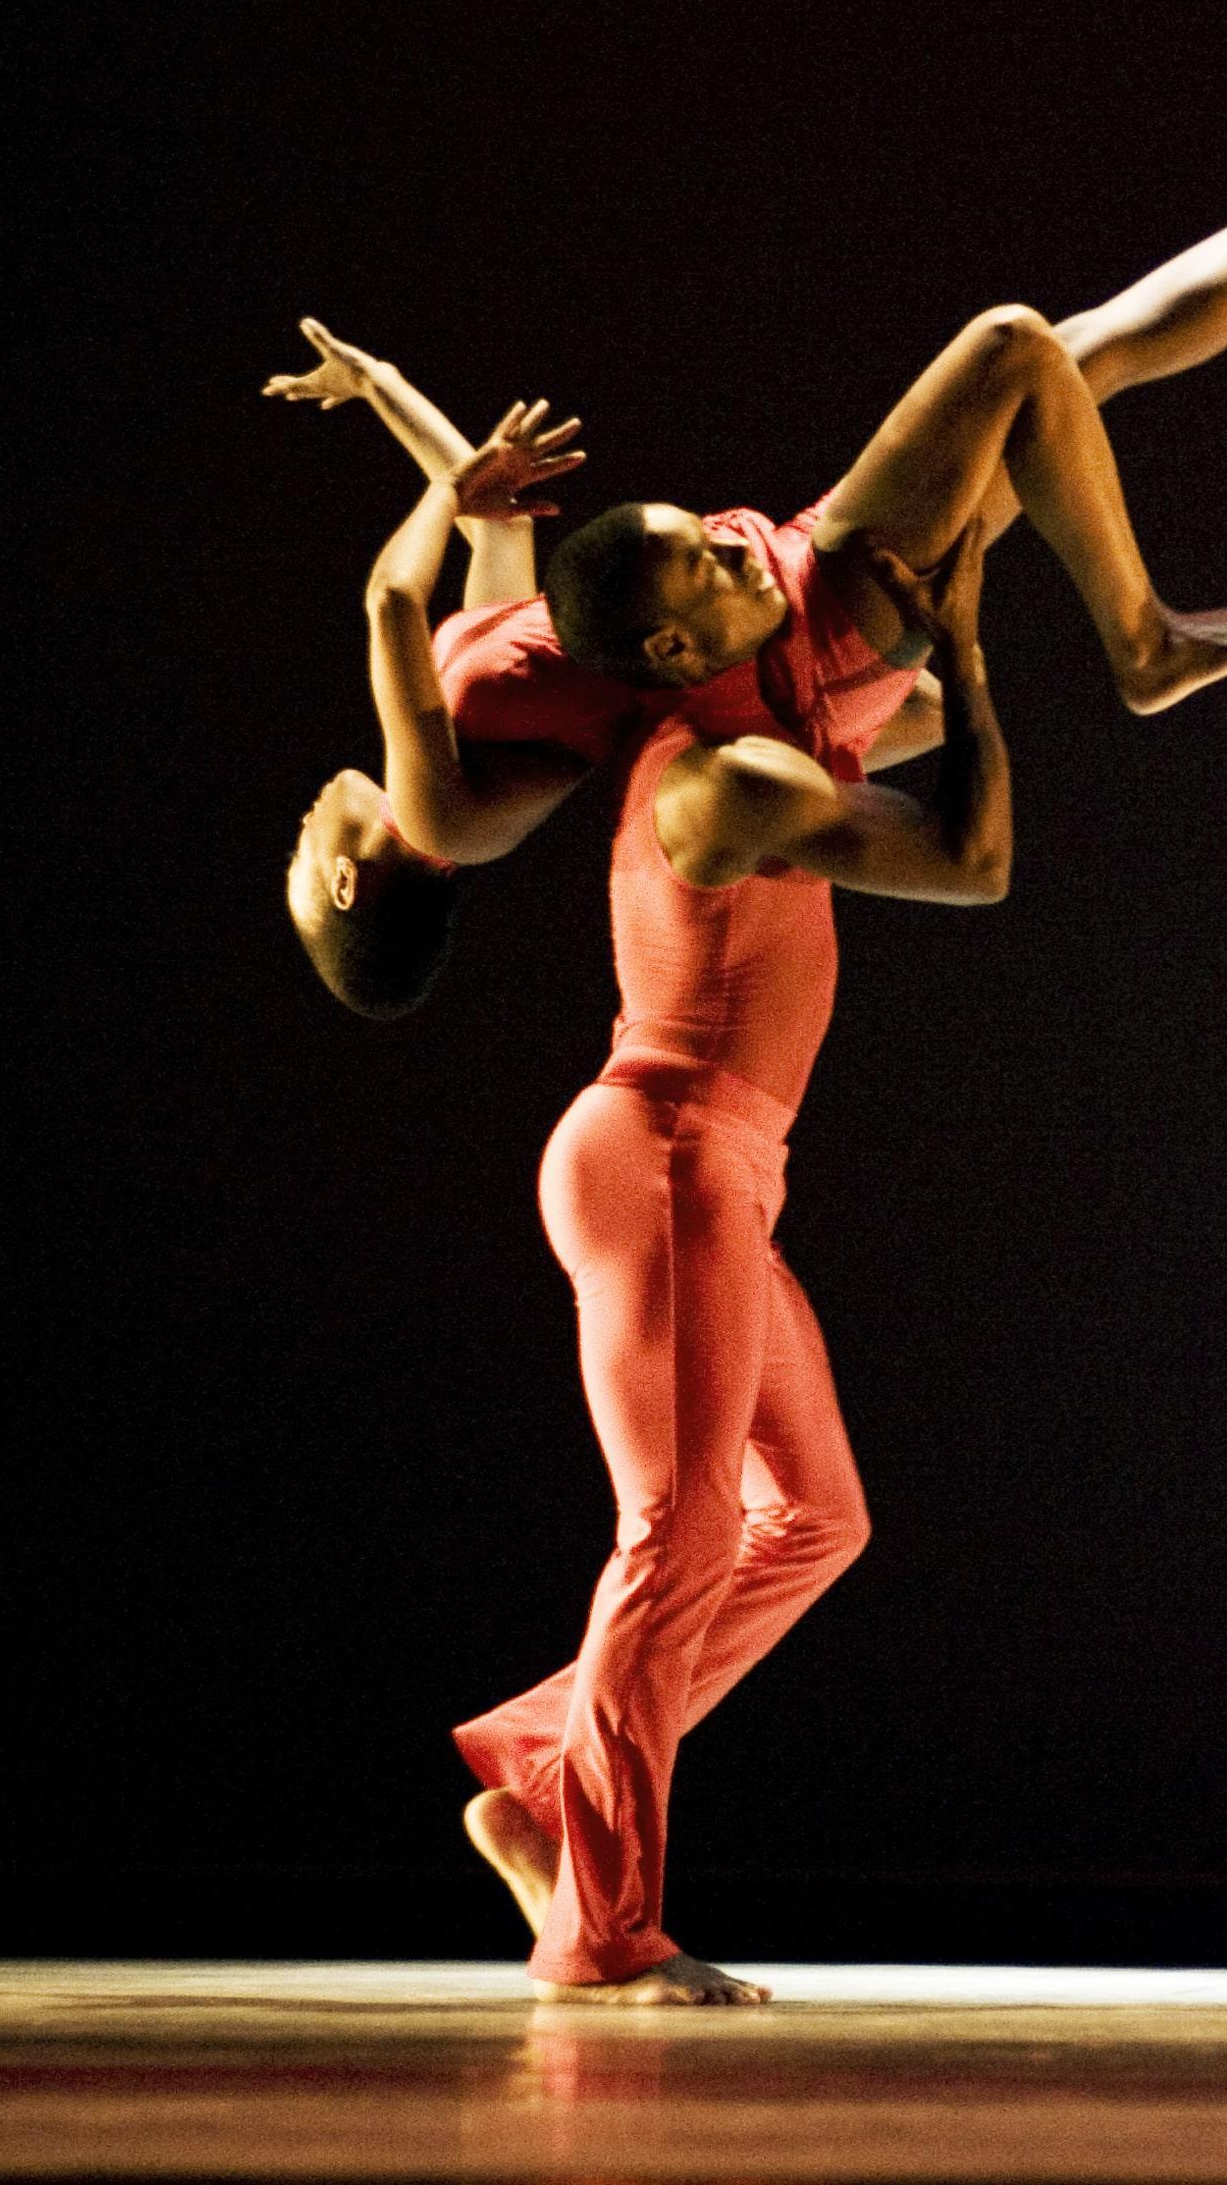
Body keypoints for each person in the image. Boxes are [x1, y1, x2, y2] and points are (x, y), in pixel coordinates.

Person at [273, 37, 1227, 1008]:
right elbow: (387, 598)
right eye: (301, 855)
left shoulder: (486, 683)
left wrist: (380, 388)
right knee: (1014, 344)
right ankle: (1139, 644)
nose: (306, 820)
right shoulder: (439, 815)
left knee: (1077, 361)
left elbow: (497, 530)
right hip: (804, 625)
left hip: (796, 605)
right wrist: (444, 494)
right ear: (344, 884)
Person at [445, 485, 1015, 2006]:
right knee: (680, 1533)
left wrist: (957, 636)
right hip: (672, 1157)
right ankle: (605, 1933)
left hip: (719, 1173)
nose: (752, 539)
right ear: (688, 646)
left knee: (813, 1518)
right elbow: (973, 859)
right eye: (712, 553)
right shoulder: (724, 774)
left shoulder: (714, 746)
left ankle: (539, 1773)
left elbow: (874, 729)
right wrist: (964, 654)